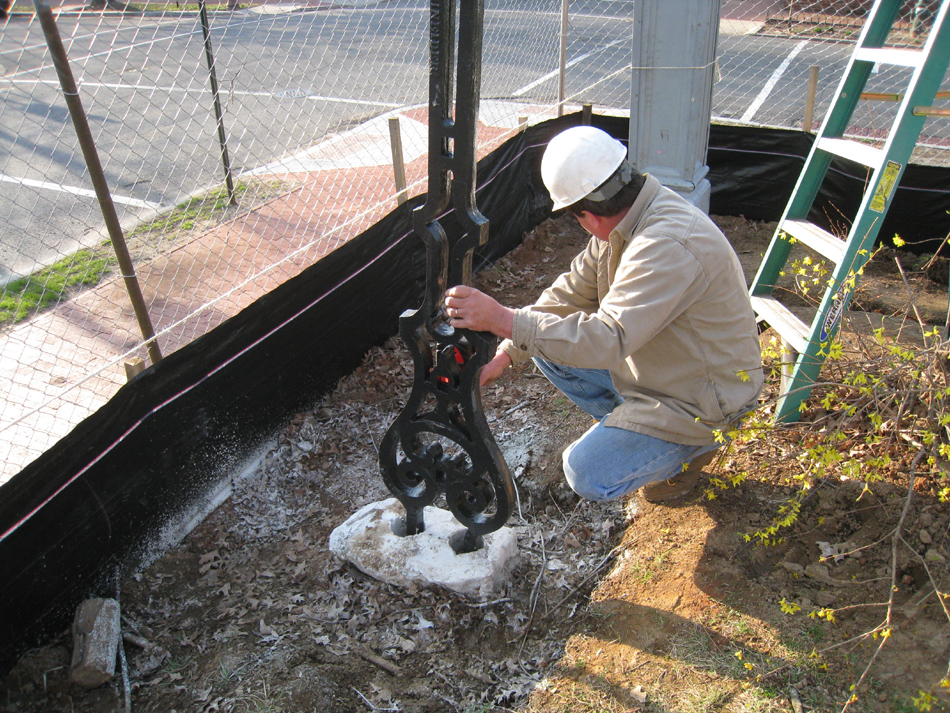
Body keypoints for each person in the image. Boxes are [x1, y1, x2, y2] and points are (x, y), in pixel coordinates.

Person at [443, 125, 763, 503]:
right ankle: (637, 431)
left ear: (587, 216)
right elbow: (568, 294)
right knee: (544, 346)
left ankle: (686, 454)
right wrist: (507, 353)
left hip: (705, 401)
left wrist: (501, 319)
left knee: (587, 473)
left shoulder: (667, 243)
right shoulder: (628, 222)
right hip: (671, 369)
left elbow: (606, 340)